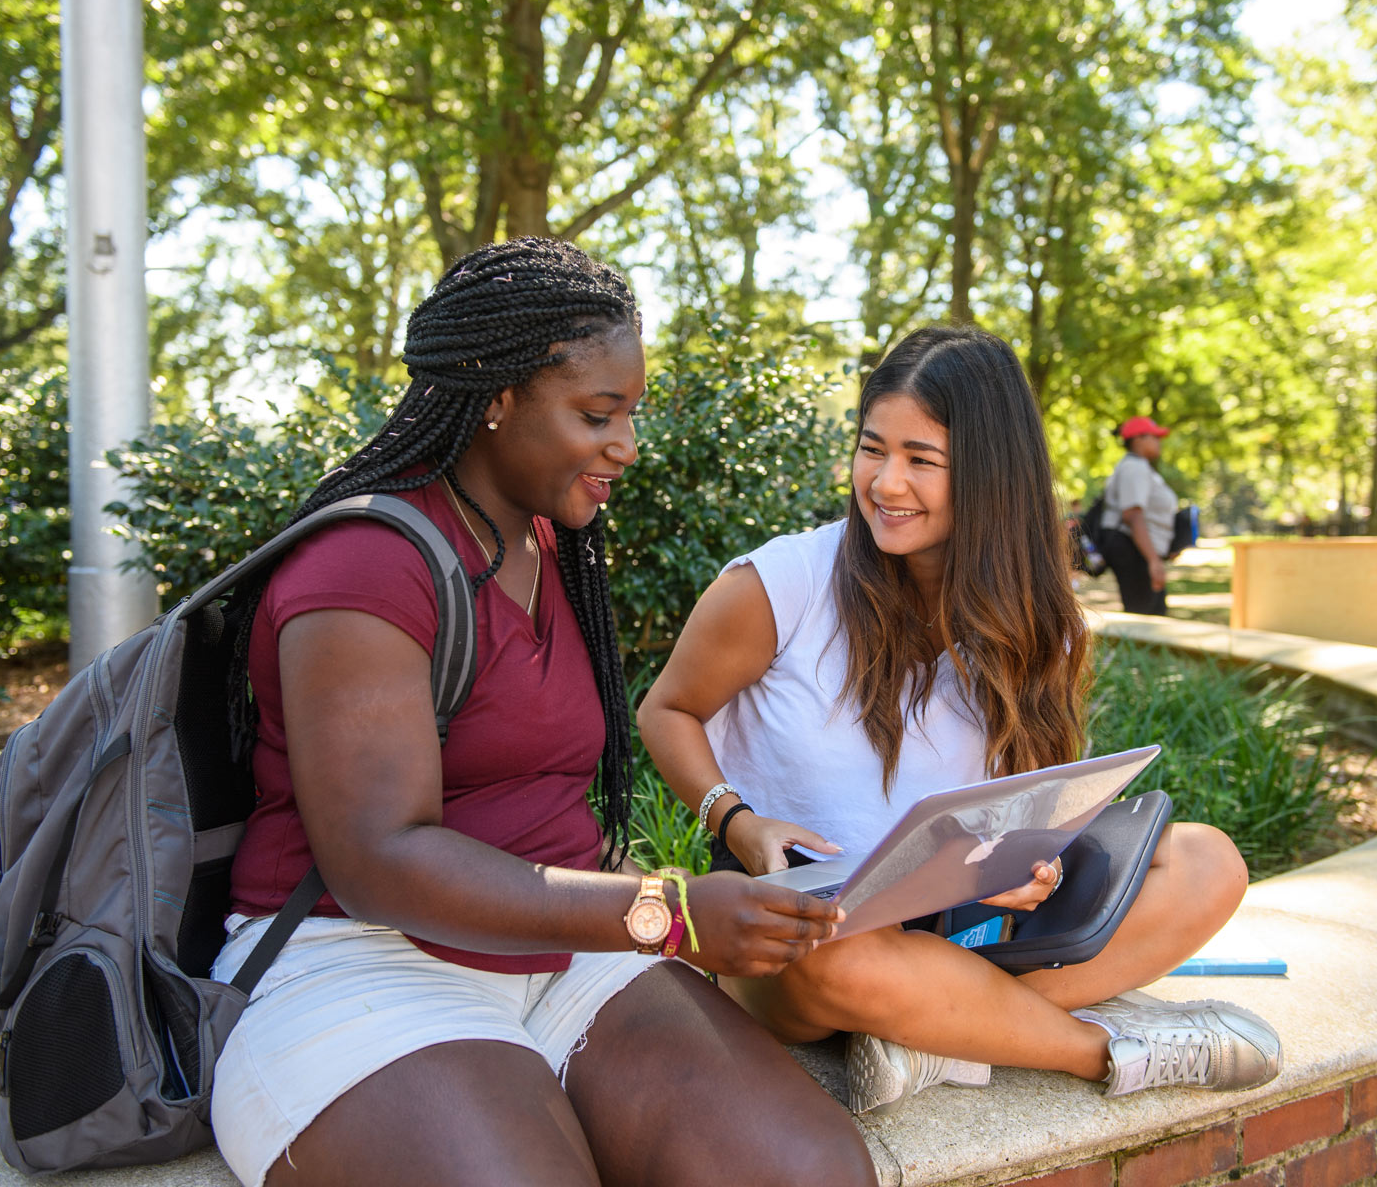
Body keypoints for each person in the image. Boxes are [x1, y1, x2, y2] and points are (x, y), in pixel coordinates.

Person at [208, 238, 877, 1187]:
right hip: (357, 956)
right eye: (598, 414)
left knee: (806, 1172)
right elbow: (378, 861)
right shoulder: (364, 564)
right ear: (496, 396)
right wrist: (669, 912)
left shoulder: (545, 540)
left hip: (563, 949)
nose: (627, 447)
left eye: (631, 414)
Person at [637, 326, 1280, 1117]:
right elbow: (666, 709)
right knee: (828, 960)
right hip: (811, 934)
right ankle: (1109, 1052)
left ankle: (930, 1035)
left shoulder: (1037, 620)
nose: (885, 482)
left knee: (1208, 864)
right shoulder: (778, 585)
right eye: (873, 449)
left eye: (921, 460)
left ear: (989, 476)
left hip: (956, 929)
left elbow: (1030, 801)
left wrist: (1031, 863)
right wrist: (735, 820)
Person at [1096, 416, 1179, 615]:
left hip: (1140, 550)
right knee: (1145, 616)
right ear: (1138, 439)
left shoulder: (1139, 467)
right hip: (1133, 550)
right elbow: (1132, 515)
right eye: (1154, 437)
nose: (1159, 442)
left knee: (1153, 611)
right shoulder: (1134, 468)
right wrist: (1153, 560)